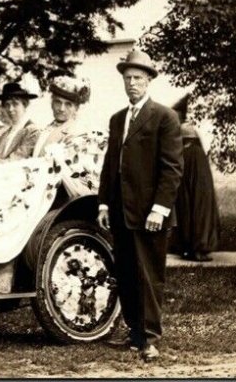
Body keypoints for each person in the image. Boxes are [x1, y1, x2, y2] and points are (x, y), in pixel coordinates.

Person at [96, 49, 183, 362]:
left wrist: (159, 209)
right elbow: (110, 165)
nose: (132, 83)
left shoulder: (164, 117)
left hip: (149, 213)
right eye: (127, 78)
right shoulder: (118, 119)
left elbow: (172, 168)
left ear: (149, 81)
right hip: (120, 209)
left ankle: (149, 339)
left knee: (148, 276)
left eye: (138, 78)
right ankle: (134, 333)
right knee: (128, 273)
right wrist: (104, 203)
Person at [171, 94, 220, 262]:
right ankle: (192, 246)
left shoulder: (185, 128)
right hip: (191, 168)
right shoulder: (186, 130)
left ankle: (195, 247)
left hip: (191, 168)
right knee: (191, 205)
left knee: (193, 206)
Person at [33, 75, 91, 157]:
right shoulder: (48, 127)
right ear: (51, 103)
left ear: (76, 108)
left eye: (68, 104)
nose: (61, 108)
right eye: (58, 102)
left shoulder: (75, 134)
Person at [0, 80, 41, 161]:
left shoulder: (32, 131)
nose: (10, 109)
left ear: (25, 104)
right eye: (7, 104)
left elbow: (17, 159)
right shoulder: (5, 133)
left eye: (15, 104)